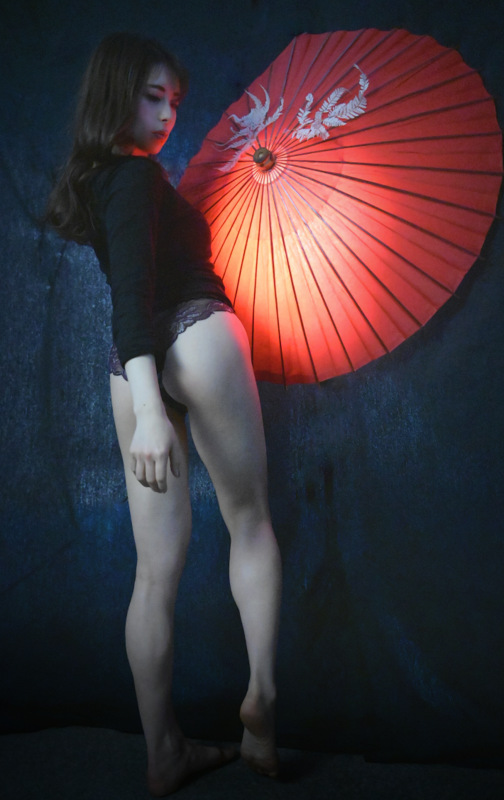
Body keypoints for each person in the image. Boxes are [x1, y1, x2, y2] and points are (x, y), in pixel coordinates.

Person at [46, 32, 282, 797]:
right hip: (193, 336)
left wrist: (144, 398)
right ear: (115, 94)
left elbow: (129, 307)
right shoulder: (137, 178)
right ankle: (261, 698)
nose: (168, 114)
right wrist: (153, 415)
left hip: (133, 364)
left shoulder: (96, 182)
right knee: (250, 521)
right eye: (153, 97)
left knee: (153, 573)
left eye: (175, 101)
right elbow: (132, 298)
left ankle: (163, 752)